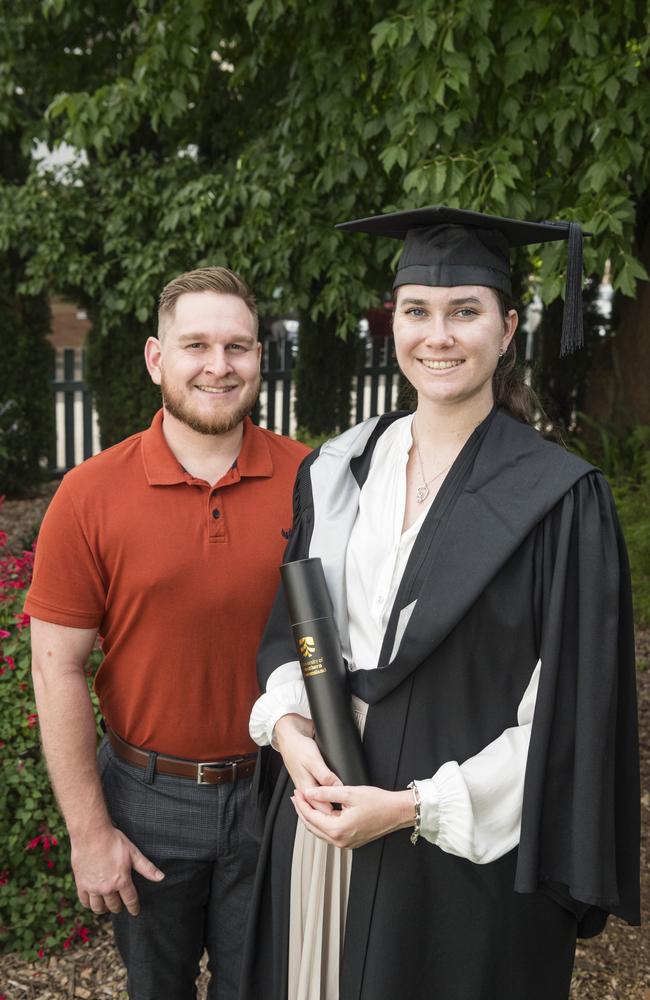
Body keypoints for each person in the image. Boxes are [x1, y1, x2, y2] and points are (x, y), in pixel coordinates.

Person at [240, 208, 640, 1000]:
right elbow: (298, 630)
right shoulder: (341, 469)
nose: (438, 335)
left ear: (508, 327)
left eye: (466, 312)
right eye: (417, 310)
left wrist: (411, 808)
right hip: (322, 819)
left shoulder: (559, 502)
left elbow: (569, 720)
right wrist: (288, 731)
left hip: (459, 855)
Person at [25, 266, 310, 1000]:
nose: (219, 366)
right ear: (157, 358)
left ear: (260, 356)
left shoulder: (313, 481)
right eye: (197, 346)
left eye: (238, 346)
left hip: (280, 793)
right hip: (147, 799)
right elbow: (56, 668)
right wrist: (90, 835)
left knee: (267, 989)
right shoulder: (90, 494)